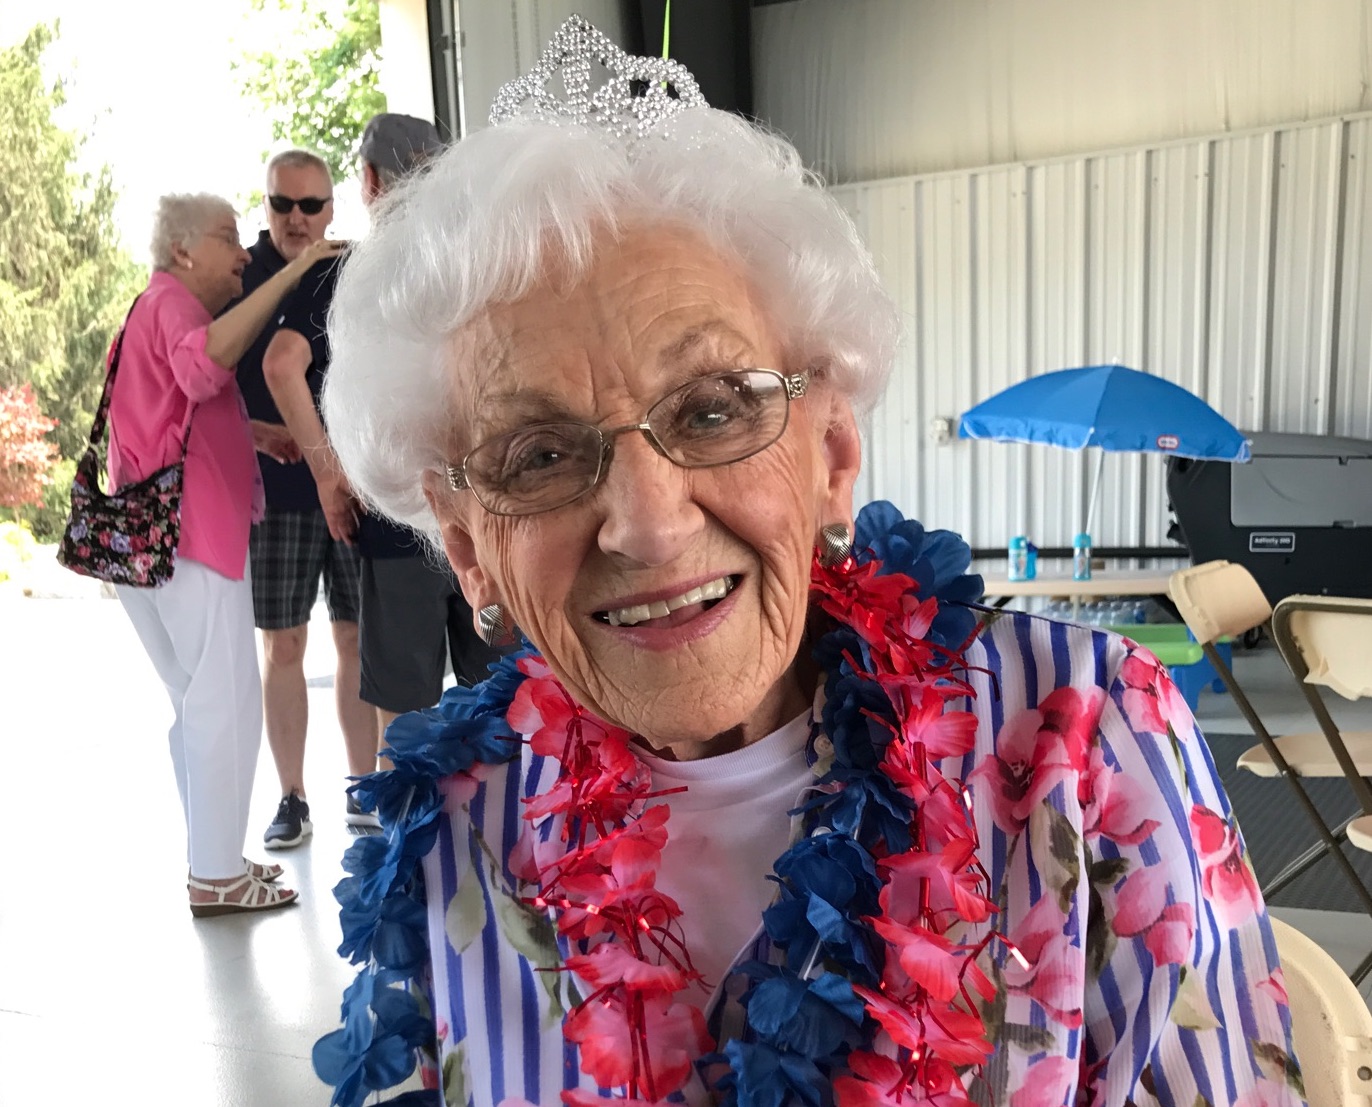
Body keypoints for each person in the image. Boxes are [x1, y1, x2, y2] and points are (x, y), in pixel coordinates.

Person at [313, 19, 1302, 1107]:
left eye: (710, 408)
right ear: (469, 549)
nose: (645, 521)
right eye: (538, 455)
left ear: (832, 454)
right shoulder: (450, 827)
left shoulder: (1080, 734)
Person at [108, 193, 342, 916]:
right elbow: (205, 367)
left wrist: (259, 434)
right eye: (227, 238)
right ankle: (214, 873)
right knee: (223, 700)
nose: (243, 253)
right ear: (182, 252)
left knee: (198, 702)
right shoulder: (174, 304)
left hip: (154, 538)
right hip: (191, 537)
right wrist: (294, 272)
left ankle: (211, 858)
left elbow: (182, 406)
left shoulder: (157, 307)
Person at [346, 113, 504, 803]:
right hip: (489, 507)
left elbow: (351, 409)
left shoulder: (361, 280)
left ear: (370, 181)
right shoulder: (489, 263)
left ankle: (407, 872)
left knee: (404, 710)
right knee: (501, 695)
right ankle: (514, 843)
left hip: (403, 516)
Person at [232, 149, 376, 849]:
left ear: (331, 206)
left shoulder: (349, 270)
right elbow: (201, 376)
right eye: (282, 204)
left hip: (350, 489)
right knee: (283, 644)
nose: (296, 218)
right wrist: (253, 431)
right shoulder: (239, 277)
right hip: (277, 497)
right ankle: (291, 795)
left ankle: (362, 785)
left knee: (355, 637)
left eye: (310, 204)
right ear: (264, 206)